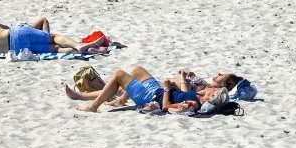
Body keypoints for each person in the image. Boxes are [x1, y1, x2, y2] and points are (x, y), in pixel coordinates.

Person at [0, 0, 107, 55]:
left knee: (54, 49)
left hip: (16, 50)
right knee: (54, 37)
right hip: (16, 33)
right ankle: (79, 46)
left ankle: (85, 51)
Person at [65, 65, 204, 113]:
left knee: (118, 74)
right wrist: (180, 84)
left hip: (152, 98)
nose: (210, 92)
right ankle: (121, 100)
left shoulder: (198, 100)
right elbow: (185, 94)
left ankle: (93, 106)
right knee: (137, 70)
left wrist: (168, 89)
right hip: (157, 90)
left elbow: (166, 107)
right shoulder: (201, 94)